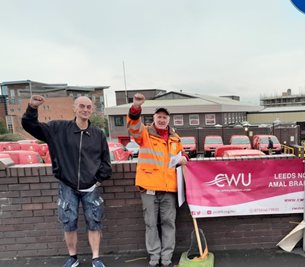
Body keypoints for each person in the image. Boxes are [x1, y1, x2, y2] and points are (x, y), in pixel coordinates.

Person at [22, 95, 112, 267]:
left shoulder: (98, 135)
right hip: (67, 186)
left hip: (91, 188)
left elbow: (105, 161)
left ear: (92, 110)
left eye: (88, 107)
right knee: (68, 222)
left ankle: (95, 257)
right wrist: (32, 109)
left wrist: (97, 181)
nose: (85, 110)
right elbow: (30, 126)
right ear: (74, 108)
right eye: (82, 106)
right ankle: (73, 257)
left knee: (94, 221)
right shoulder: (58, 128)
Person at [127, 93, 188, 267]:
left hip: (169, 189)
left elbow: (182, 153)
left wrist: (184, 157)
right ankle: (154, 256)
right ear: (154, 118)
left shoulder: (175, 138)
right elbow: (133, 127)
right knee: (151, 224)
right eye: (159, 117)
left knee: (169, 224)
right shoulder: (145, 134)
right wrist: (136, 108)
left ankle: (166, 257)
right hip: (149, 188)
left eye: (164, 117)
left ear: (168, 119)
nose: (162, 120)